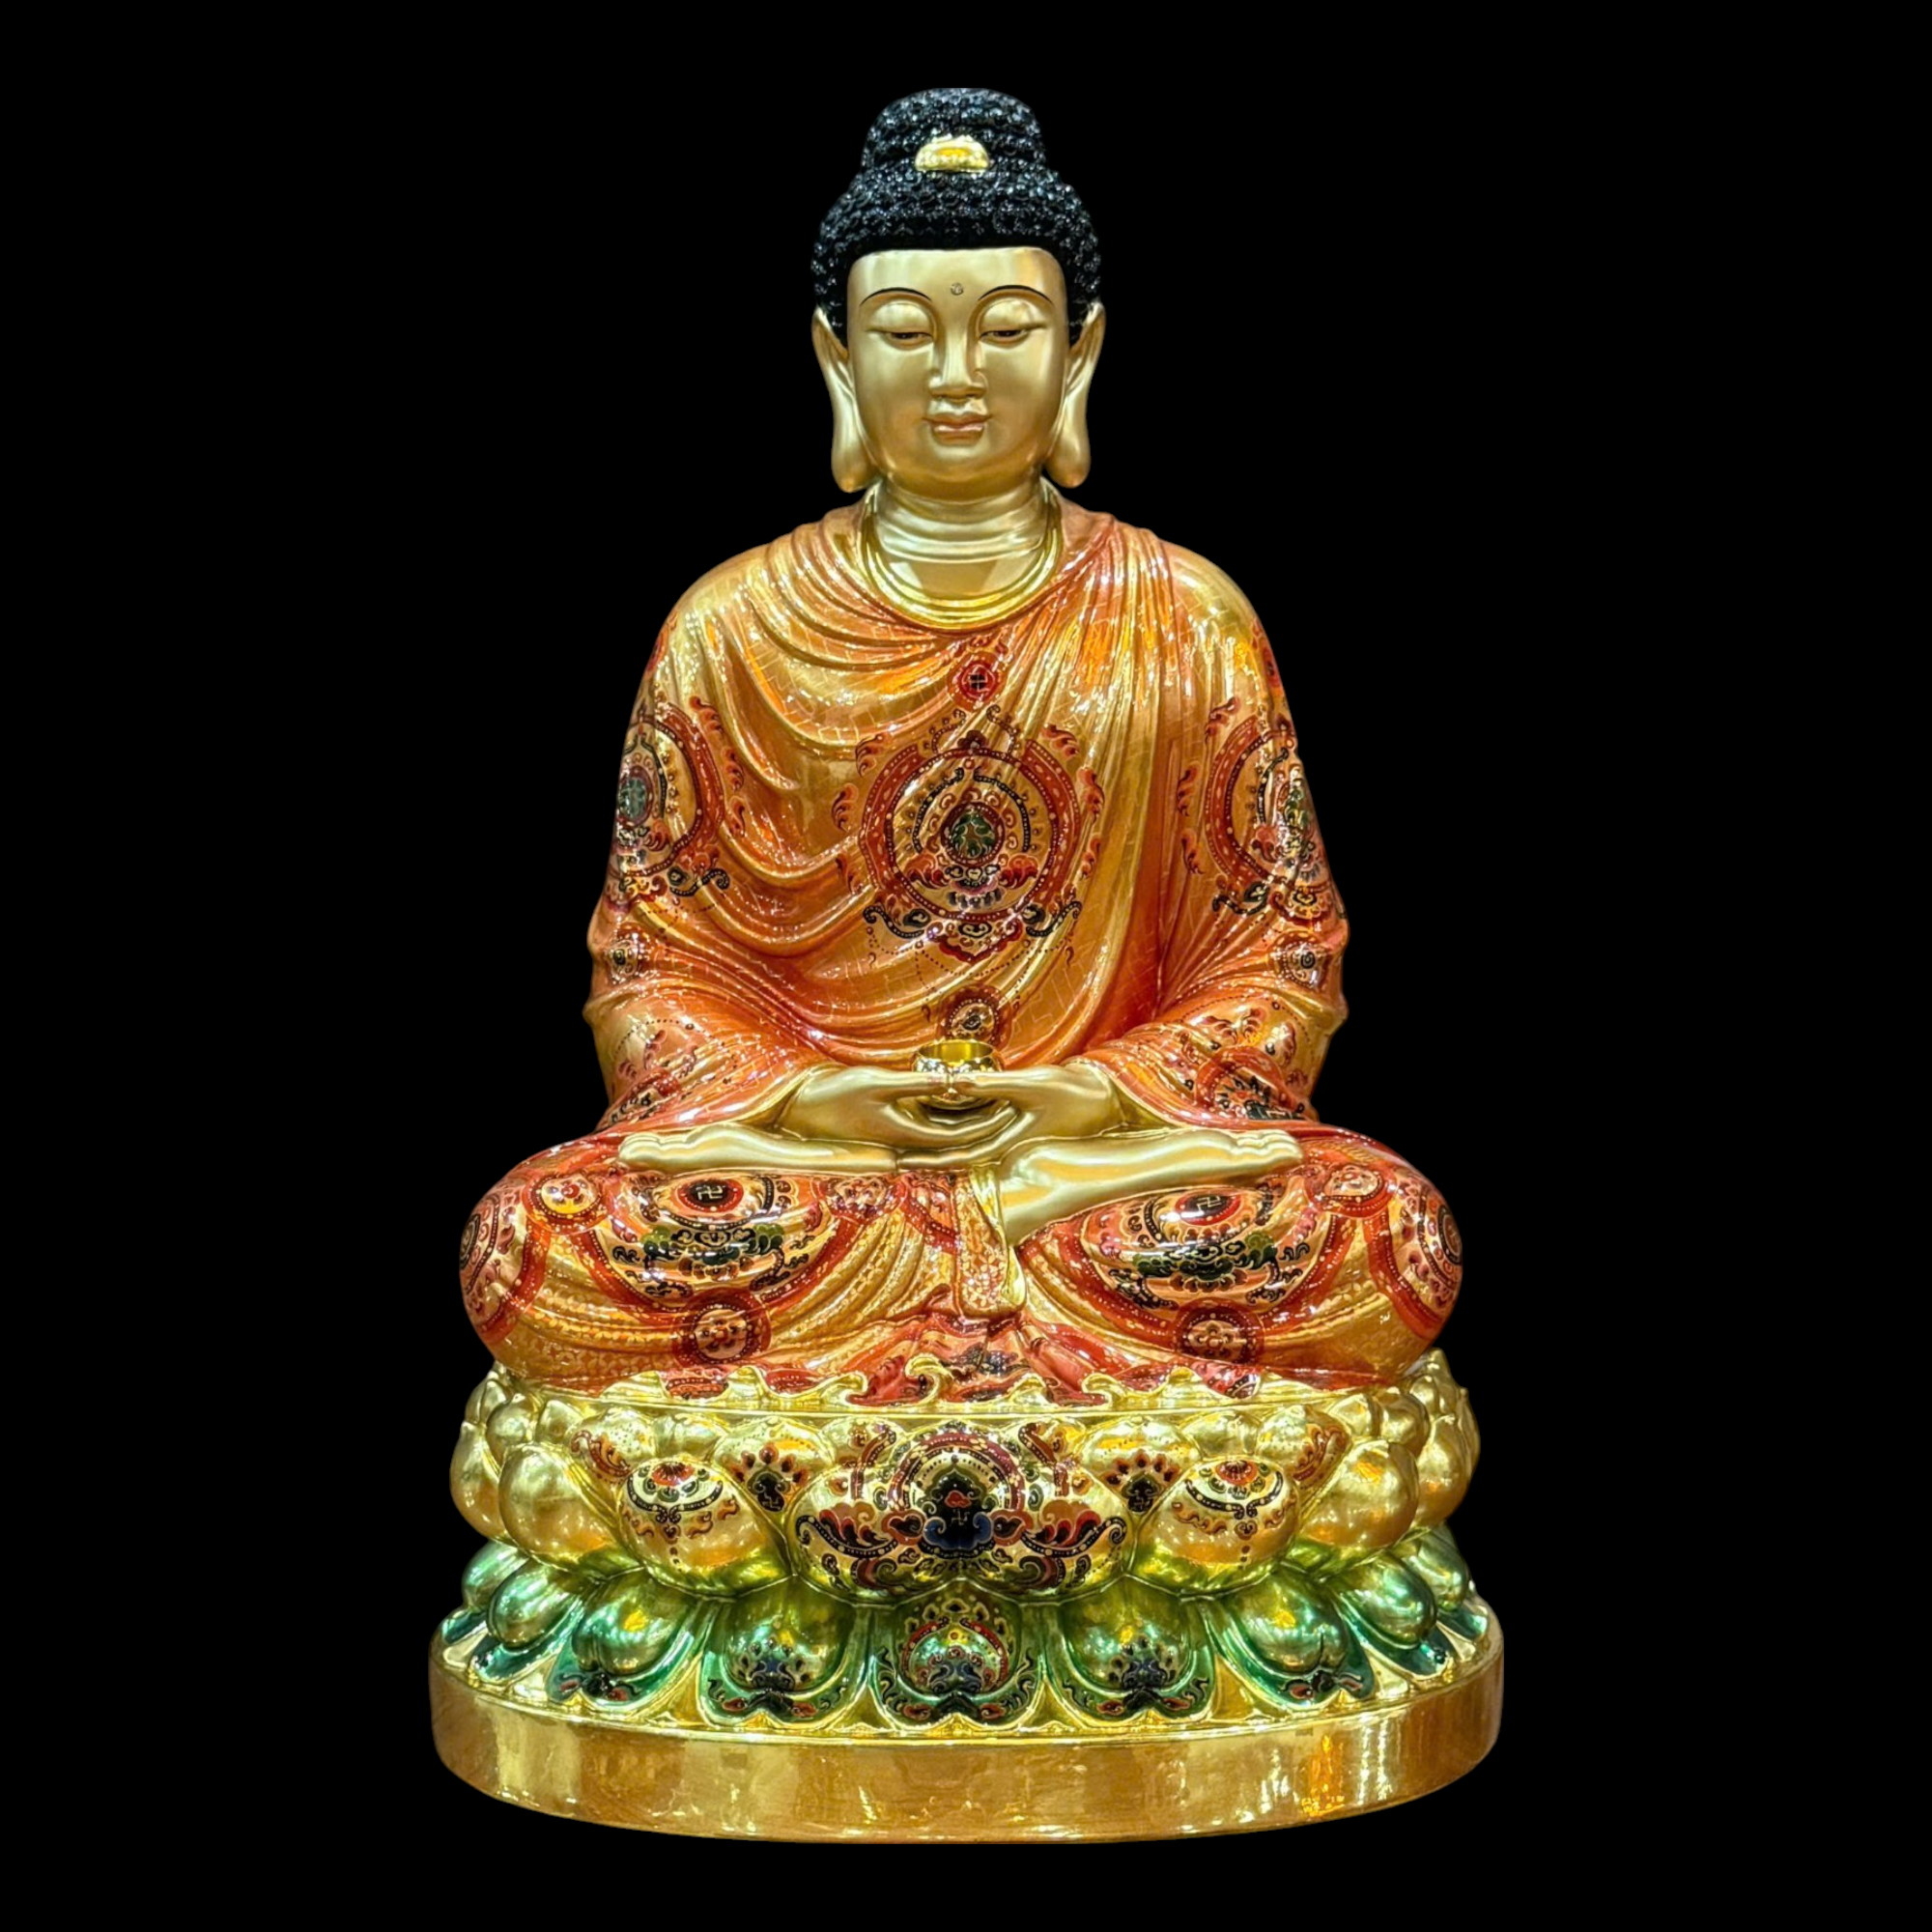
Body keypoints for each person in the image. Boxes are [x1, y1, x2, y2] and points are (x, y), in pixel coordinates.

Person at [458, 89, 1463, 1405]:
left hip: (1096, 1161)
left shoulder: (1185, 616)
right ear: (835, 358)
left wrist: (1087, 1100)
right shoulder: (732, 625)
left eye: (1005, 329)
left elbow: (1281, 963)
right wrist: (812, 1103)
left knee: (1386, 1230)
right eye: (903, 331)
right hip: (830, 1172)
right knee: (533, 1240)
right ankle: (993, 1282)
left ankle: (965, 1270)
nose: (953, 375)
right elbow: (651, 978)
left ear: (1080, 352)